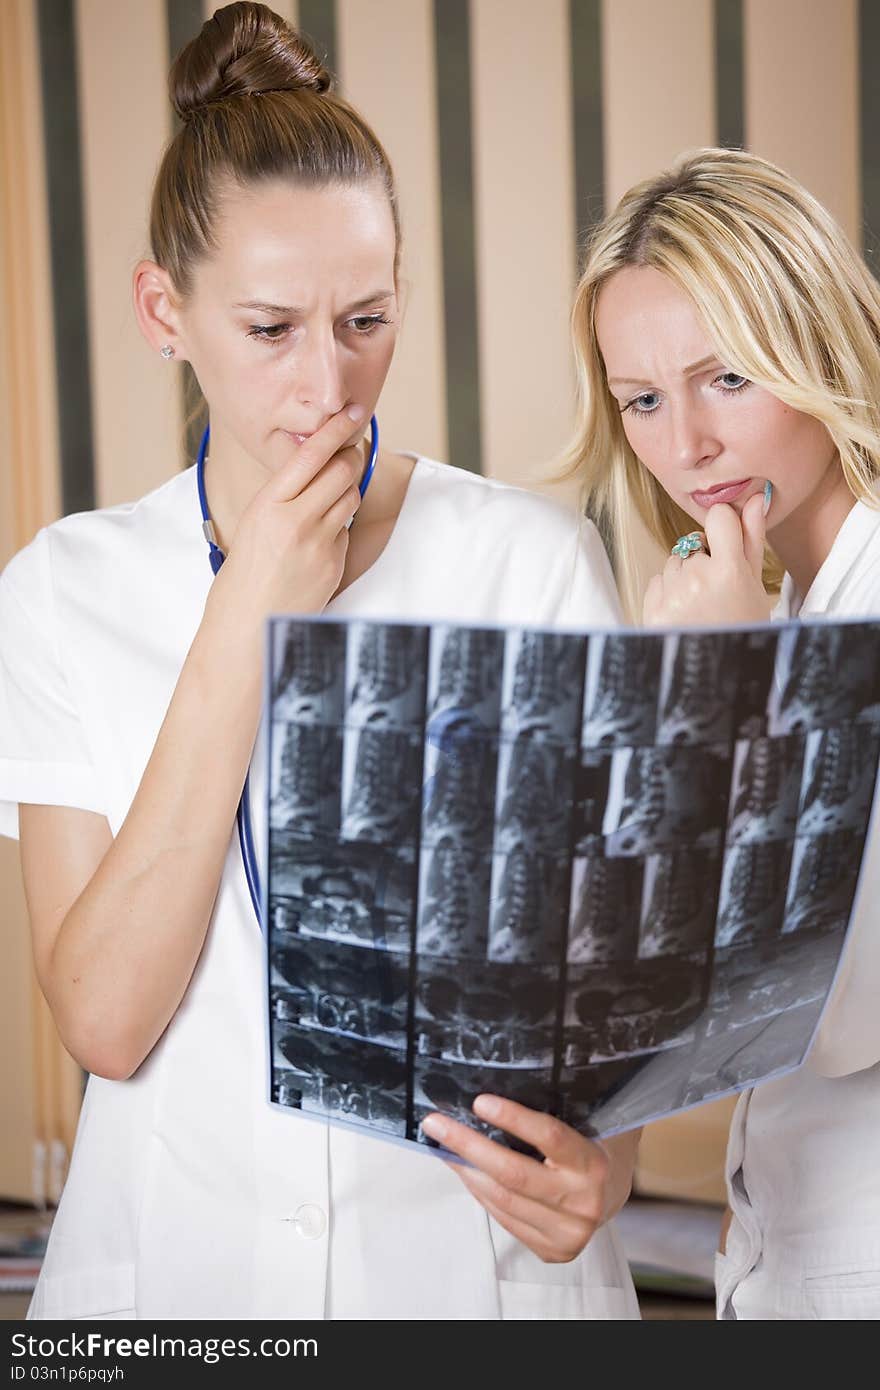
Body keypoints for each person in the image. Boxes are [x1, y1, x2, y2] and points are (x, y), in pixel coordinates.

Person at [0, 4, 641, 1320]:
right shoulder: (66, 590)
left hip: (476, 1283)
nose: (326, 384)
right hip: (171, 1288)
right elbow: (106, 1019)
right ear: (161, 310)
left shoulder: (533, 562)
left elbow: (612, 998)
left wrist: (607, 1170)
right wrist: (247, 618)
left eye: (365, 318)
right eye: (270, 328)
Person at [563, 145, 880, 1319]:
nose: (683, 443)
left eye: (727, 379)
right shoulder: (777, 609)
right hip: (768, 1257)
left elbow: (818, 1003)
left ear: (820, 344)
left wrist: (730, 693)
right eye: (642, 399)